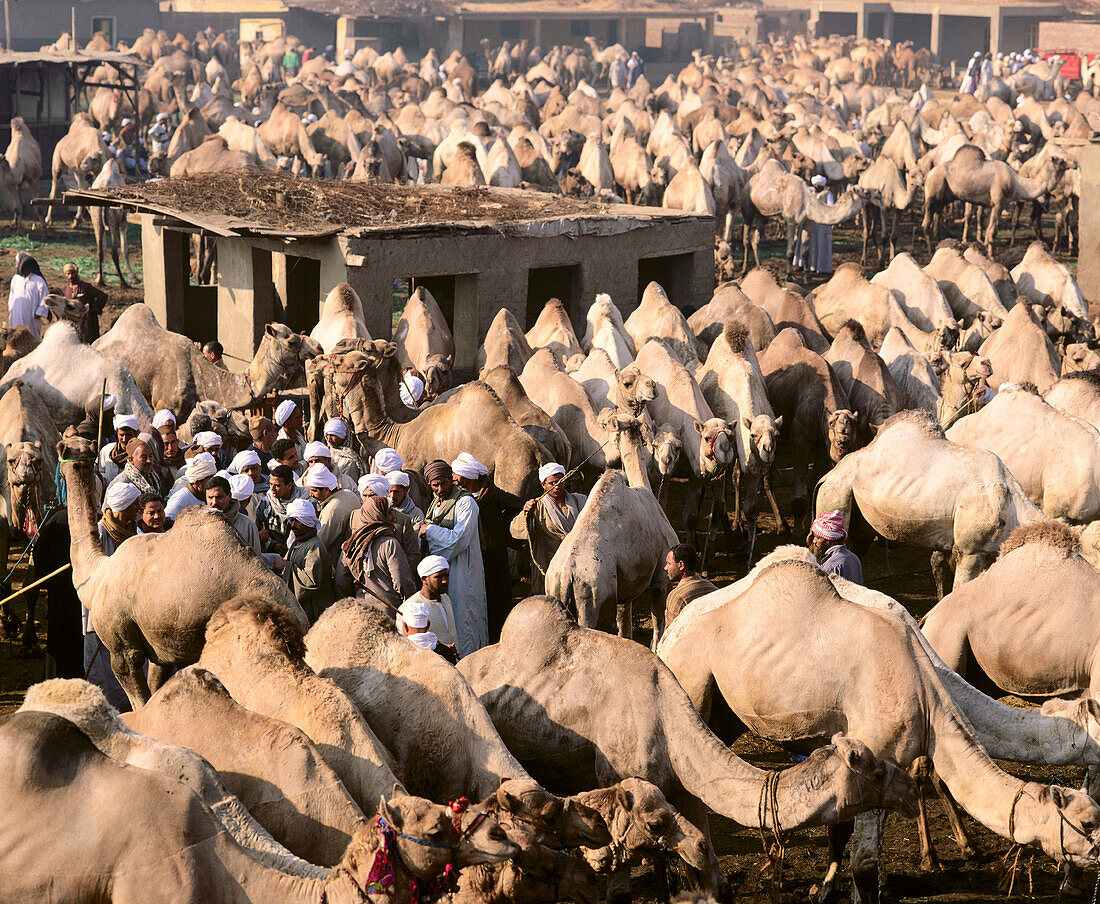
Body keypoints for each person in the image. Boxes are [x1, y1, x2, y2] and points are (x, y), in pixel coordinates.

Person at [420, 459, 488, 656]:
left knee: (464, 617)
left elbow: (458, 540)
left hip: (462, 569)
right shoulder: (436, 503)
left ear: (452, 479)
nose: (440, 489)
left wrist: (429, 530)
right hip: (441, 573)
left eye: (444, 483)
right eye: (435, 485)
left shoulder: (466, 503)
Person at [453, 452, 521, 642]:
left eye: (457, 476)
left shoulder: (492, 494)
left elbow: (518, 505)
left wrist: (501, 523)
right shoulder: (458, 497)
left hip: (492, 554)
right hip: (471, 555)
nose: (454, 480)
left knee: (497, 596)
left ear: (467, 477)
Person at [85, 481, 142, 710]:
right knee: (99, 663)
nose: (138, 507)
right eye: (134, 504)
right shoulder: (98, 533)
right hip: (101, 604)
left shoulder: (133, 531)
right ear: (124, 506)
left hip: (126, 607)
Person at [510, 462, 586, 594]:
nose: (557, 486)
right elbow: (515, 530)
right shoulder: (537, 506)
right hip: (549, 565)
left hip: (576, 563)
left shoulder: (579, 501)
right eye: (552, 483)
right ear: (543, 485)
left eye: (560, 481)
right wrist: (526, 513)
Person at [341, 487, 416, 607]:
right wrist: (410, 604)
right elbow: (401, 581)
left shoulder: (351, 543)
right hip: (389, 609)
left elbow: (342, 580)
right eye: (390, 512)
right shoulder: (390, 544)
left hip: (362, 608)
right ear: (379, 515)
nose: (393, 517)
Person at [274, 497, 336, 623]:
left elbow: (311, 582)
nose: (293, 525)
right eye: (292, 520)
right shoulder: (297, 542)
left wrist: (286, 566)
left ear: (308, 521)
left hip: (314, 609)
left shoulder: (314, 546)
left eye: (298, 521)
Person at [403, 554, 459, 660]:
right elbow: (408, 648)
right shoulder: (411, 607)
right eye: (438, 577)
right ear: (424, 579)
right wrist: (441, 650)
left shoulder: (446, 599)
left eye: (446, 576)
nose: (445, 581)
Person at [305, 462, 361, 566]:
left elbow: (319, 545)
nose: (310, 494)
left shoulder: (331, 511)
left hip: (341, 563)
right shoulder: (349, 493)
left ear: (326, 489)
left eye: (313, 491)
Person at [362, 472, 420, 572]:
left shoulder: (406, 519)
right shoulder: (355, 516)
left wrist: (400, 575)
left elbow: (413, 554)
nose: (392, 496)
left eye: (396, 492)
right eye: (365, 495)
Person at [255, 463, 308, 554]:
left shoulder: (305, 501)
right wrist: (272, 544)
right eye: (271, 484)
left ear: (289, 485)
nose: (272, 489)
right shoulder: (266, 502)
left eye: (277, 485)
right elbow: (258, 530)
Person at [205, 474, 262, 555]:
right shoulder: (201, 524)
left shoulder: (247, 525)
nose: (214, 502)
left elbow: (256, 557)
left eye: (219, 497)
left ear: (229, 496)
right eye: (210, 498)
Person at [663, 544, 716, 626]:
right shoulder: (712, 588)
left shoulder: (677, 597)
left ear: (681, 565)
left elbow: (671, 635)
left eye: (669, 564)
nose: (665, 568)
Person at [808, 510, 863, 583]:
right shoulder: (855, 558)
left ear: (829, 540)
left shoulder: (831, 566)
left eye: (818, 538)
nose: (814, 541)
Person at [61, 262, 108, 343]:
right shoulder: (64, 289)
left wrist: (93, 309)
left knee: (88, 342)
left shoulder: (85, 287)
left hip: (87, 321)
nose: (70, 276)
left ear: (76, 273)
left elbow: (103, 296)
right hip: (72, 321)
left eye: (73, 273)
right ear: (65, 274)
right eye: (68, 274)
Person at [8, 252, 49, 339]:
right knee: (15, 336)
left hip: (31, 317)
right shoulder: (16, 278)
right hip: (16, 314)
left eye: (17, 263)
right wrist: (11, 308)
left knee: (31, 338)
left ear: (23, 264)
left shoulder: (38, 280)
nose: (16, 266)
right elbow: (12, 294)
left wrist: (39, 313)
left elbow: (45, 297)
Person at [166, 451, 217, 520]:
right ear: (197, 483)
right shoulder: (179, 500)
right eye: (209, 481)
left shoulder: (206, 495)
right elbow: (168, 522)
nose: (213, 483)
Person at [97, 414, 140, 486]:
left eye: (129, 435)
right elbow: (100, 475)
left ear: (135, 433)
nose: (125, 439)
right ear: (117, 432)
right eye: (122, 435)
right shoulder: (106, 451)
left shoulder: (139, 454)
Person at [324, 418, 366, 485]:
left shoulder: (350, 460)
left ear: (343, 436)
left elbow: (349, 486)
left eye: (333, 435)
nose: (329, 439)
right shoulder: (325, 454)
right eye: (327, 435)